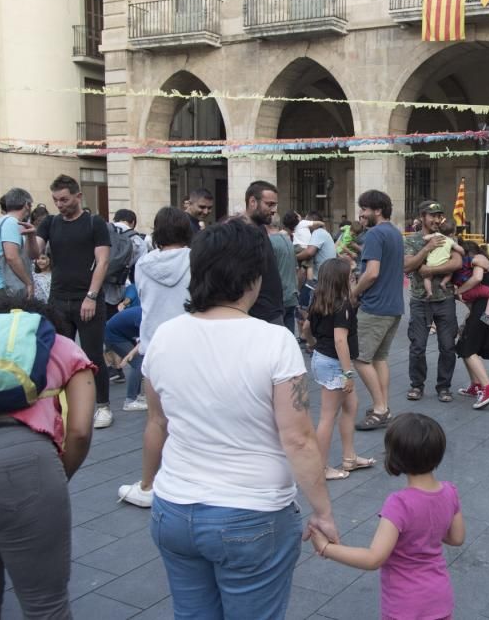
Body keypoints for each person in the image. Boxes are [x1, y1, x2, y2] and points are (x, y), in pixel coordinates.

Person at [141, 219, 339, 618]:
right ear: (253, 275)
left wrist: (148, 485)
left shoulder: (163, 336)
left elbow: (157, 422)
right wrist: (323, 512)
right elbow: (298, 438)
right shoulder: (274, 341)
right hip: (251, 514)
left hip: (174, 509)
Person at [0, 296, 96, 618]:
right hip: (23, 462)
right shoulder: (60, 345)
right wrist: (59, 474)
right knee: (45, 604)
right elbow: (80, 430)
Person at [309, 413, 465, 620]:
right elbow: (456, 538)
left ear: (395, 456)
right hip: (439, 598)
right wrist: (428, 526)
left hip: (405, 604)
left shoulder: (399, 504)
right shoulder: (450, 492)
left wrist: (326, 548)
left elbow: (374, 558)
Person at [117, 206, 193, 509]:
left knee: (156, 420)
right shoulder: (195, 260)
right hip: (189, 346)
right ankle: (188, 482)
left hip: (153, 348)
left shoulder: (143, 263)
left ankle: (148, 485)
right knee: (193, 419)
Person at [30, 175, 112, 428]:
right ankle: (64, 406)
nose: (60, 204)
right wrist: (30, 236)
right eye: (55, 200)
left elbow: (103, 262)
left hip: (86, 299)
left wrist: (91, 296)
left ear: (78, 196)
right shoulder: (50, 223)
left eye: (64, 199)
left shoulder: (94, 223)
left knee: (93, 355)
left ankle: (102, 406)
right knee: (58, 355)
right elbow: (34, 254)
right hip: (58, 299)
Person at [305, 258, 375, 480]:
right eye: (351, 275)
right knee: (327, 416)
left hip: (322, 358)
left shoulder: (319, 300)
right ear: (341, 280)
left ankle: (349, 457)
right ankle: (321, 468)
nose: (353, 278)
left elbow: (307, 327)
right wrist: (348, 373)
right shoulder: (342, 305)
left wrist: (311, 343)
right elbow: (340, 341)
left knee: (351, 405)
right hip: (334, 364)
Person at [351, 190, 405, 431]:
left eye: (364, 209)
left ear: (377, 210)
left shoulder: (374, 234)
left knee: (361, 358)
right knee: (379, 358)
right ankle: (383, 406)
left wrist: (354, 293)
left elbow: (371, 272)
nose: (361, 214)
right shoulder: (394, 232)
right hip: (393, 306)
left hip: (375, 306)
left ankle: (380, 409)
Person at [404, 200, 463, 404]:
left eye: (439, 216)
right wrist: (427, 248)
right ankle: (416, 385)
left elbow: (457, 262)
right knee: (418, 346)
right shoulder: (412, 241)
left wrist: (430, 270)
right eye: (432, 216)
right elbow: (408, 266)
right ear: (422, 217)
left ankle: (444, 386)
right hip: (420, 300)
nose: (437, 220)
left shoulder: (448, 237)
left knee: (448, 346)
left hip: (445, 299)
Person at [455, 241, 489, 409]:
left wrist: (459, 290)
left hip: (484, 308)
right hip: (485, 307)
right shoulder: (486, 259)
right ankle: (476, 385)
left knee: (468, 348)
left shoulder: (478, 258)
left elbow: (477, 277)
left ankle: (488, 388)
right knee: (465, 344)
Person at [242, 180, 286, 326]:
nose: (274, 210)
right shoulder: (241, 232)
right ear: (252, 202)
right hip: (259, 315)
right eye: (269, 204)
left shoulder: (260, 228)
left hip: (273, 311)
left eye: (275, 205)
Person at [0, 188, 35, 302]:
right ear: (26, 205)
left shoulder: (3, 221)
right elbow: (11, 257)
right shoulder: (10, 222)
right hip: (0, 286)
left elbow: (32, 255)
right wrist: (28, 282)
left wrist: (31, 236)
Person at [103, 208, 148, 321]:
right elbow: (138, 274)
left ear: (115, 219)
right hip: (118, 292)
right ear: (132, 222)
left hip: (94, 290)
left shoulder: (103, 230)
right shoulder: (139, 241)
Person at [451, 235, 489, 329]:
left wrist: (458, 291)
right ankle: (487, 315)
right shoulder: (469, 260)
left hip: (464, 292)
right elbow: (478, 276)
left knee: (472, 311)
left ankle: (465, 328)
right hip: (472, 289)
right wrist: (488, 267)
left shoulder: (456, 263)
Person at [295, 211, 337, 318]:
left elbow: (309, 252)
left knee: (302, 311)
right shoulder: (324, 233)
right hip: (326, 278)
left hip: (319, 280)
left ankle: (305, 333)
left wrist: (294, 257)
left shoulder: (318, 233)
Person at [105, 304, 145, 412]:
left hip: (122, 333)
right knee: (138, 363)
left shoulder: (148, 312)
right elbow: (143, 342)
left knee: (141, 360)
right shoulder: (143, 316)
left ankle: (137, 396)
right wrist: (129, 355)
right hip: (113, 335)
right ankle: (130, 401)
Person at [269, 218, 300, 337]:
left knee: (277, 338)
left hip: (278, 297)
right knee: (289, 337)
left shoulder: (270, 242)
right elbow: (296, 268)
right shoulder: (288, 241)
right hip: (291, 294)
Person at [422, 218, 462, 300]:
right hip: (442, 263)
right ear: (451, 234)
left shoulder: (437, 235)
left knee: (427, 278)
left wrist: (430, 237)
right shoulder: (451, 241)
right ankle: (443, 283)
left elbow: (425, 238)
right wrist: (463, 252)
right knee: (450, 272)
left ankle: (429, 292)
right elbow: (459, 249)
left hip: (430, 263)